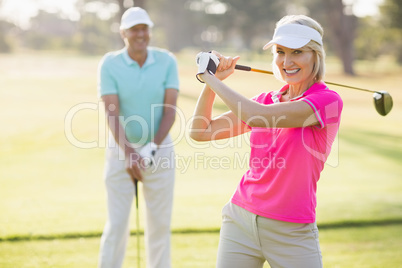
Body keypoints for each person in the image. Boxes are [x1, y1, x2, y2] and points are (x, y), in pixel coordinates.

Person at [190, 15, 343, 268]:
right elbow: (200, 131)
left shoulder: (327, 101)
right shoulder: (265, 99)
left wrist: (210, 78)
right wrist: (211, 83)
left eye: (297, 52)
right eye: (280, 52)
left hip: (291, 229)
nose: (287, 61)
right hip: (240, 219)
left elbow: (257, 118)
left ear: (315, 55)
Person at [97, 7, 179, 268]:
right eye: (134, 29)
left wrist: (151, 148)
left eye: (144, 28)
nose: (140, 34)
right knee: (117, 225)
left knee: (159, 225)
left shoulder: (167, 61)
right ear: (123, 33)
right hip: (121, 150)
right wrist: (131, 153)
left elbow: (170, 111)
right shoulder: (110, 63)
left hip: (160, 149)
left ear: (150, 31)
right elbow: (112, 113)